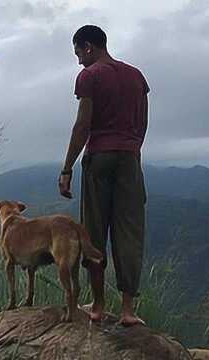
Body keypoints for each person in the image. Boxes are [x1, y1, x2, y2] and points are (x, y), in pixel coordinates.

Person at [58, 24, 149, 327]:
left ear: (88, 47)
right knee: (129, 231)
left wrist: (67, 167)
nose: (78, 61)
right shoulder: (136, 76)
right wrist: (131, 149)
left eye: (78, 53)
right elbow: (143, 122)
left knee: (93, 232)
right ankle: (127, 310)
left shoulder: (90, 76)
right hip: (130, 159)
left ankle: (97, 306)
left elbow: (83, 124)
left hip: (99, 158)